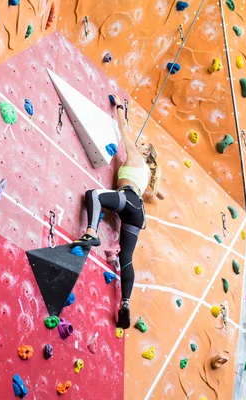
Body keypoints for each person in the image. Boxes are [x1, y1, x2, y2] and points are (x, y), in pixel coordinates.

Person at [73, 94, 165, 329]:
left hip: (128, 199)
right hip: (138, 212)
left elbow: (123, 131)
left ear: (145, 153)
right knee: (126, 258)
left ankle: (91, 232)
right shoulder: (147, 175)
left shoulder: (135, 156)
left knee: (94, 195)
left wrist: (121, 108)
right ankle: (124, 301)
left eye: (143, 146)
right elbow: (156, 194)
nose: (139, 145)